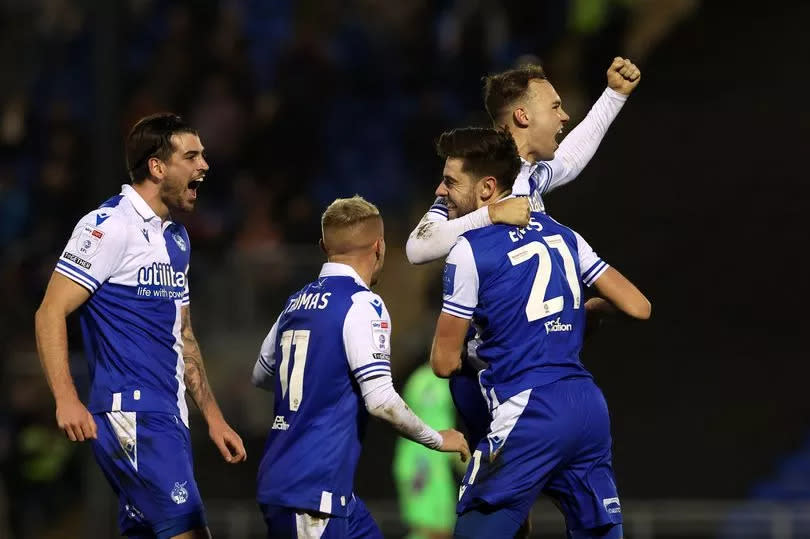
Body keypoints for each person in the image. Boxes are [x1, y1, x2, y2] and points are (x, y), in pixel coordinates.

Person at [407, 57, 641, 452]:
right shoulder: (472, 174)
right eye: (554, 107)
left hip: (519, 368)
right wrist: (490, 213)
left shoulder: (529, 175)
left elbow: (570, 159)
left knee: (516, 496)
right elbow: (418, 246)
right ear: (521, 115)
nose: (564, 116)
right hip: (487, 370)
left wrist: (613, 96)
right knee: (501, 494)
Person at [428, 127, 651, 539]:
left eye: (452, 181)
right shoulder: (563, 234)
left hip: (528, 409)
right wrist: (583, 315)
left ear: (486, 189)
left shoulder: (468, 249)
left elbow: (443, 363)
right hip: (586, 408)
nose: (441, 191)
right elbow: (638, 307)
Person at [34, 113, 246, 539]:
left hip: (169, 417)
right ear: (157, 166)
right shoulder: (108, 226)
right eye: (192, 156)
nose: (204, 165)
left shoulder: (177, 239)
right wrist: (66, 398)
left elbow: (183, 337)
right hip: (132, 413)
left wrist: (214, 417)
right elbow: (49, 312)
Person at [251, 196, 470, 538]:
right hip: (311, 491)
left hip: (316, 486)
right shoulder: (363, 303)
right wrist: (437, 439)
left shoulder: (296, 302)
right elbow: (381, 401)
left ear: (324, 246)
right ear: (380, 247)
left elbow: (262, 374)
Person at [393, 363, 458, 539]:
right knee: (431, 531)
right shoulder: (434, 383)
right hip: (422, 465)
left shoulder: (417, 379)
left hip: (426, 462)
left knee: (441, 531)